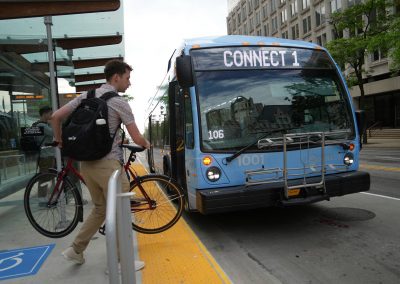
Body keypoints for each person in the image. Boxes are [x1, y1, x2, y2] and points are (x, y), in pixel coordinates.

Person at [51, 60, 150, 271]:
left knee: (100, 209)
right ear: (116, 77)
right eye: (127, 78)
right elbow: (136, 136)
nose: (129, 83)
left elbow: (56, 116)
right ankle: (121, 263)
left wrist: (59, 140)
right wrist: (146, 144)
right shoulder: (119, 102)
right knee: (121, 213)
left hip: (86, 165)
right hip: (109, 168)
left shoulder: (86, 96)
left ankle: (75, 250)